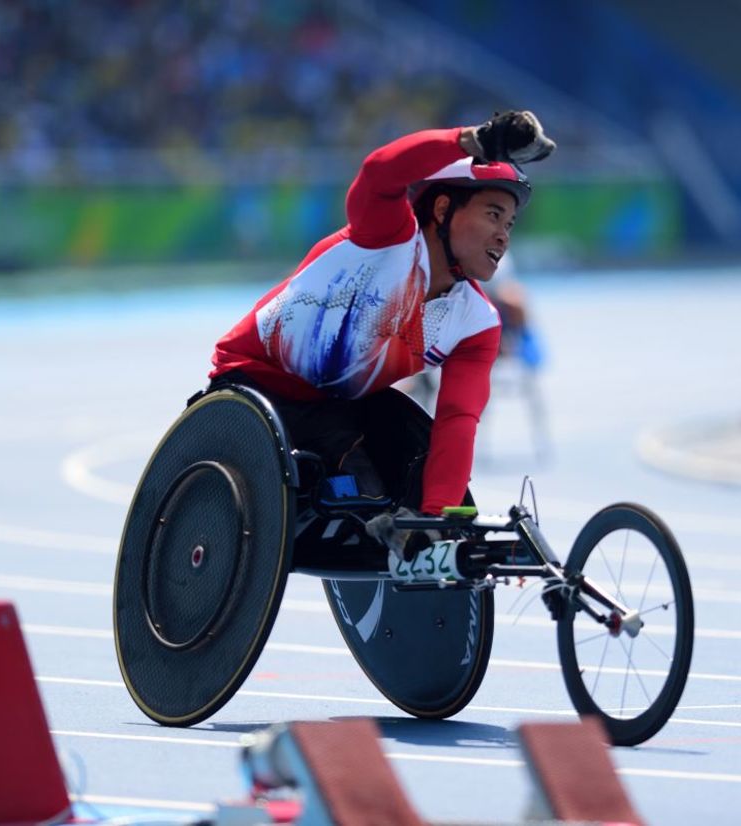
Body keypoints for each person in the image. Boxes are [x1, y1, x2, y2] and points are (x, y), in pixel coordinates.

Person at [203, 111, 556, 556]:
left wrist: (437, 515)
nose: (504, 236)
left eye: (509, 224)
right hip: (256, 380)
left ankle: (409, 545)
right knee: (366, 489)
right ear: (443, 209)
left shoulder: (478, 323)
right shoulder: (386, 237)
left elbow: (457, 420)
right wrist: (475, 140)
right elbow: (380, 172)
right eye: (493, 215)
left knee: (414, 454)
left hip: (341, 406)